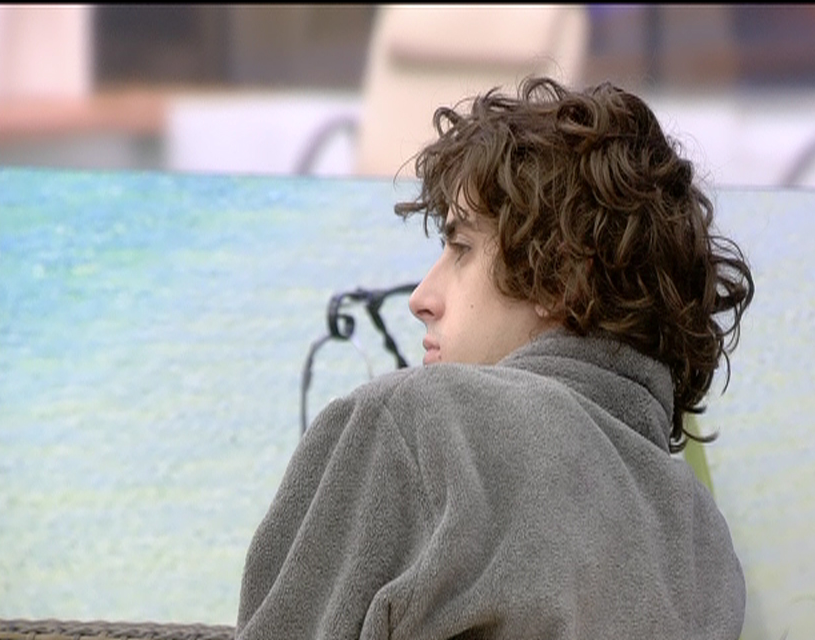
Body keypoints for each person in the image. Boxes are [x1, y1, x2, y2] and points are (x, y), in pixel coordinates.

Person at [234, 76, 754, 639]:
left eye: (461, 248)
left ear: (559, 275)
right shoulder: (704, 541)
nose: (420, 298)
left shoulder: (419, 425)